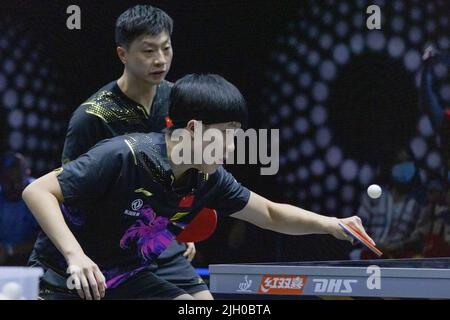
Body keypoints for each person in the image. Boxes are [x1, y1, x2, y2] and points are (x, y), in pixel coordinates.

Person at [23, 74, 373, 300]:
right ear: (193, 128)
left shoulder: (209, 177)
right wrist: (75, 256)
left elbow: (268, 213)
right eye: (227, 138)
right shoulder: (124, 154)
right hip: (65, 278)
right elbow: (37, 191)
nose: (232, 150)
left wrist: (331, 224)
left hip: (126, 276)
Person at [28, 4, 201, 296]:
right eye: (148, 51)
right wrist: (76, 256)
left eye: (166, 48)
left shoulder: (178, 101)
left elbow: (184, 175)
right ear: (123, 54)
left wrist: (173, 226)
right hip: (99, 248)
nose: (160, 59)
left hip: (151, 240)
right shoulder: (93, 117)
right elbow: (67, 197)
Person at [351, 147, 426, 259]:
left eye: (407, 161)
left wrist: (397, 246)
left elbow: (418, 237)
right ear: (391, 166)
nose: (404, 167)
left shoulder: (418, 204)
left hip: (400, 259)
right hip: (368, 255)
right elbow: (357, 230)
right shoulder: (373, 197)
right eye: (400, 162)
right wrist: (376, 246)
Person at [0, 152, 39, 266]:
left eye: (18, 180)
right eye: (8, 181)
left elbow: (47, 238)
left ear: (27, 173)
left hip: (29, 261)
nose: (14, 186)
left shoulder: (39, 196)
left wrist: (10, 250)